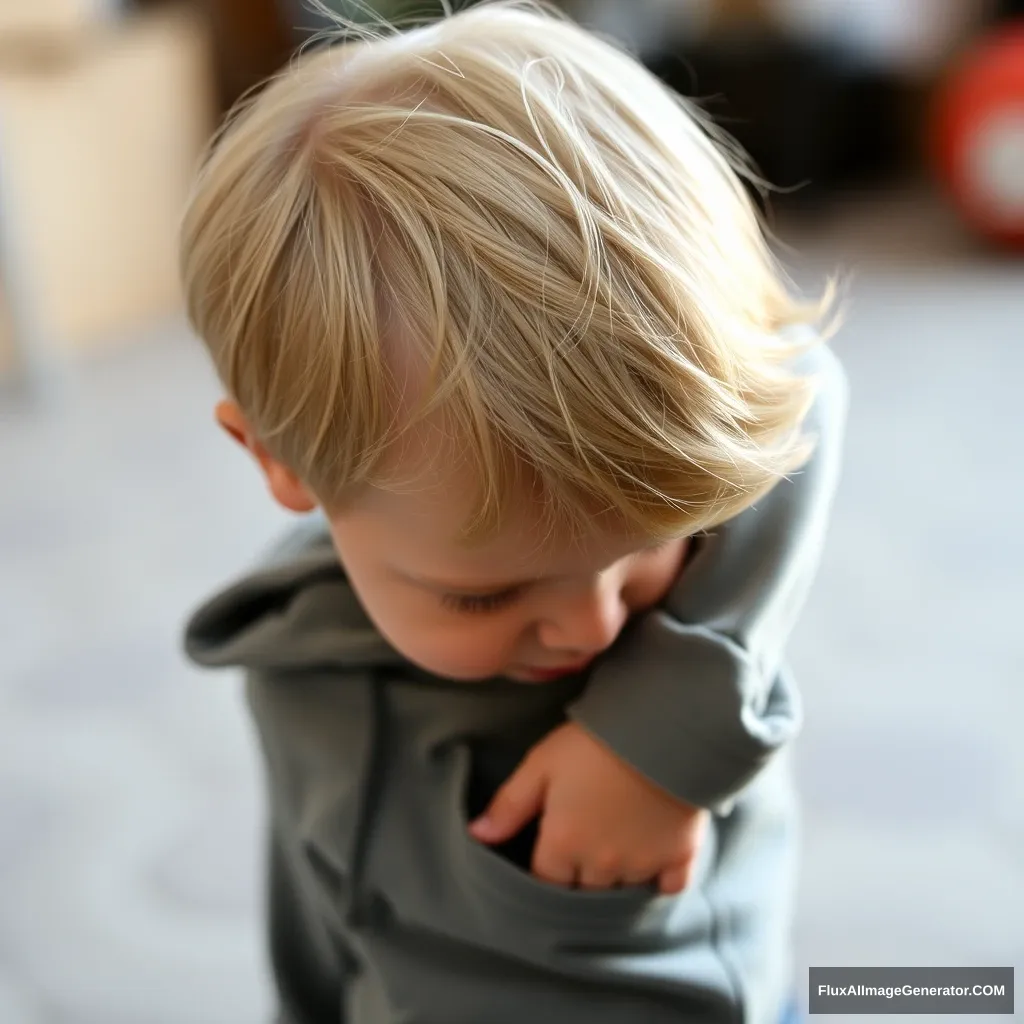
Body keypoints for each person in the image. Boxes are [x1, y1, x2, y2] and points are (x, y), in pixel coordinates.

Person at [180, 2, 847, 1022]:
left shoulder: (691, 657)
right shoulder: (289, 665)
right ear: (279, 460)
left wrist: (668, 725)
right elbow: (313, 926)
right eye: (481, 591)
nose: (593, 625)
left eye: (645, 551)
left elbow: (803, 384)